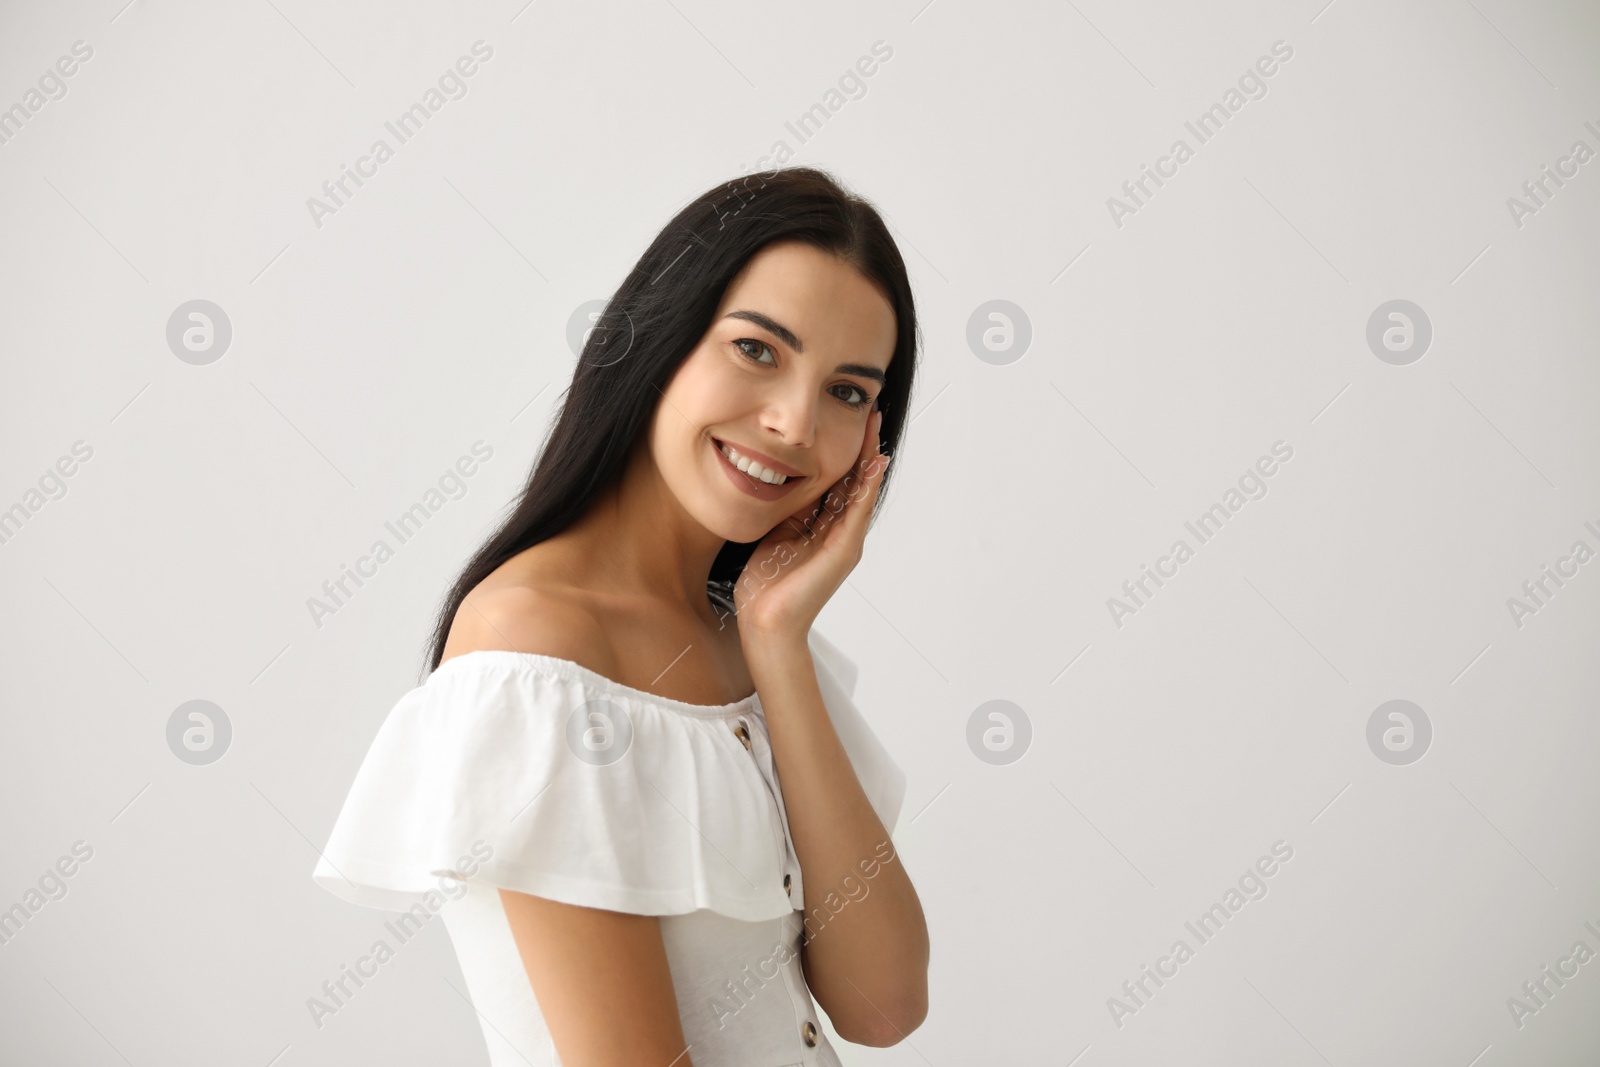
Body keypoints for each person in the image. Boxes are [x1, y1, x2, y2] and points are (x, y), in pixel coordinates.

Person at [312, 165, 929, 1065]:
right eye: (758, 349)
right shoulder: (536, 648)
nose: (796, 423)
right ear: (661, 339)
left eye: (847, 391)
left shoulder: (756, 635)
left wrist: (777, 641)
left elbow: (884, 1004)